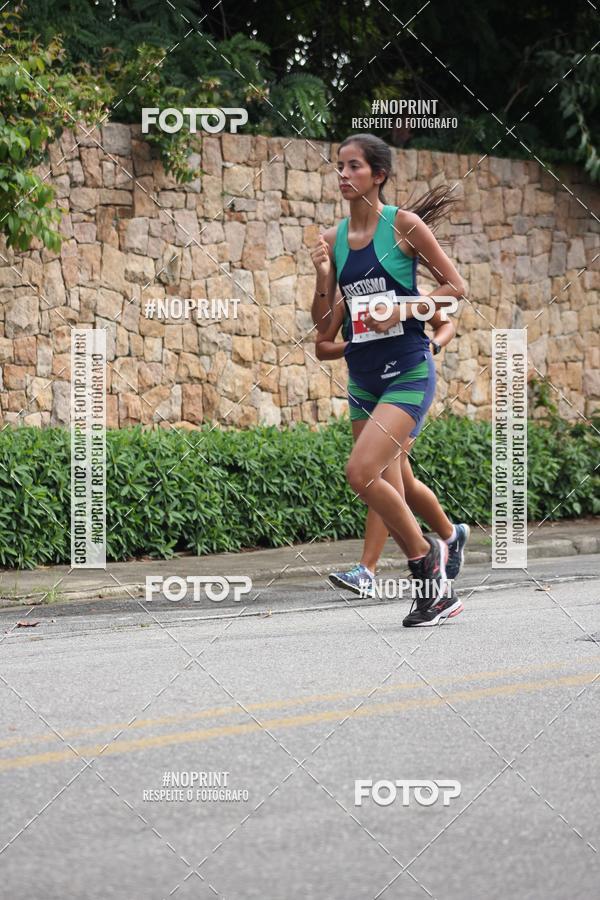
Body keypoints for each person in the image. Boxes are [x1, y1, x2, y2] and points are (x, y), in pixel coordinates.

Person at [310, 133, 468, 627]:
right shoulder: (335, 238)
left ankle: (427, 565)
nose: (343, 174)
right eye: (339, 166)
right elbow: (321, 328)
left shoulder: (404, 225)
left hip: (408, 368)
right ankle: (435, 575)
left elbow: (455, 290)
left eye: (353, 166)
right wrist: (321, 278)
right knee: (383, 480)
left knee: (361, 473)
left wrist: (401, 306)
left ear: (377, 175)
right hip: (363, 380)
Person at [315, 295, 469, 599]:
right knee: (405, 483)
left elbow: (445, 324)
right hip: (369, 390)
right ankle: (452, 535)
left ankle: (367, 570)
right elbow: (322, 347)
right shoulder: (346, 298)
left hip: (406, 388)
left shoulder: (402, 290)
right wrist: (358, 346)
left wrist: (434, 344)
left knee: (381, 473)